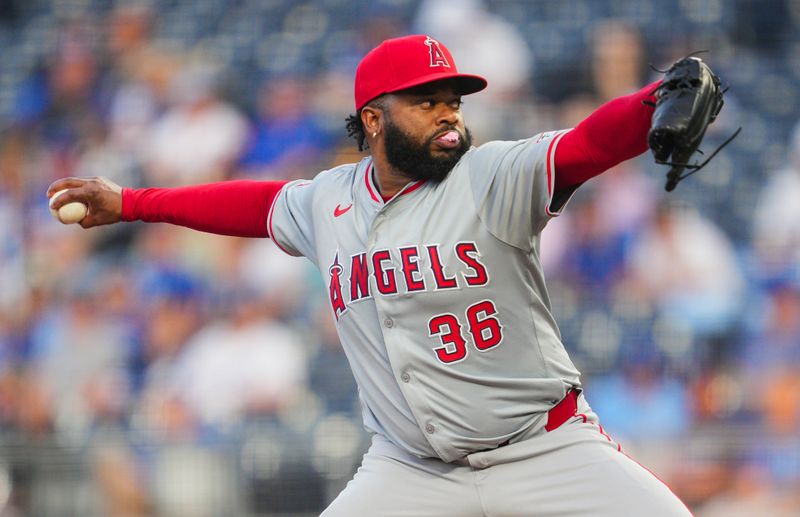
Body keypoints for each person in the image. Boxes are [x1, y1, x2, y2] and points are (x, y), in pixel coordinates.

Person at [48, 34, 693, 516]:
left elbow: (584, 144)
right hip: (410, 471)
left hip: (542, 449)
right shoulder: (330, 201)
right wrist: (133, 202)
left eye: (453, 102)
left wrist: (650, 104)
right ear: (375, 119)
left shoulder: (491, 174)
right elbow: (253, 205)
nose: (449, 114)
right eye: (427, 101)